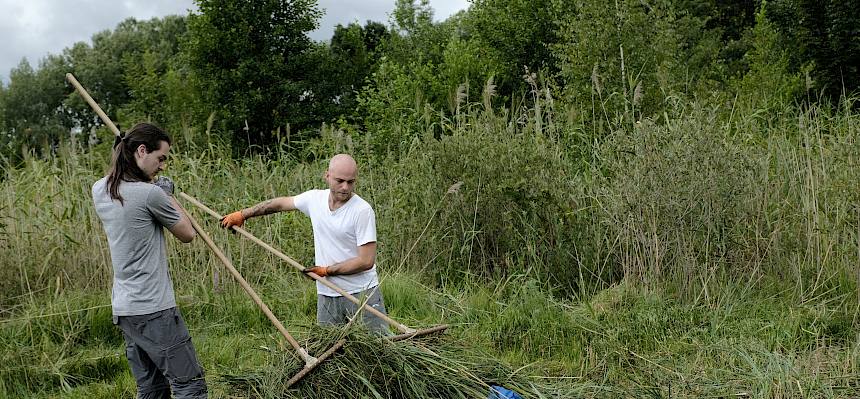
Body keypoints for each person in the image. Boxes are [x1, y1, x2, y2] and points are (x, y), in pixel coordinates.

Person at [92, 123, 208, 398]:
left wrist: (125, 153)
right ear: (141, 151)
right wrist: (167, 195)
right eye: (161, 157)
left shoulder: (100, 189)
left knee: (152, 390)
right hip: (155, 309)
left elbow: (119, 177)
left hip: (126, 309)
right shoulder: (150, 194)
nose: (163, 166)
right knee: (189, 385)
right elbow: (188, 233)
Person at [220, 154, 390, 334]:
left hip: (361, 294)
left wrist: (327, 271)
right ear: (327, 176)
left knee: (379, 351)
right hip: (327, 294)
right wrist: (243, 214)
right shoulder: (315, 199)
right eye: (340, 181)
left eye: (351, 182)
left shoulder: (362, 211)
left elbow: (366, 261)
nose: (345, 187)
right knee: (330, 354)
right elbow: (280, 204)